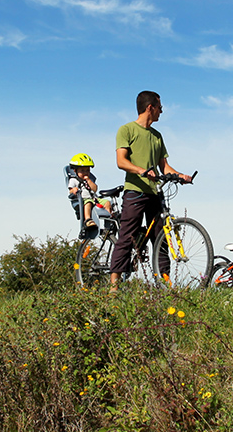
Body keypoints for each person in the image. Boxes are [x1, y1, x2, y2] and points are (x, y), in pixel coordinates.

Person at [109, 91, 193, 288]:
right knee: (127, 236)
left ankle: (164, 282)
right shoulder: (126, 130)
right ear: (150, 108)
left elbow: (164, 166)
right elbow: (121, 161)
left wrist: (180, 176)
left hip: (155, 192)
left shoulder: (157, 136)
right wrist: (142, 171)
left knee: (160, 237)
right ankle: (113, 285)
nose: (161, 112)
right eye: (160, 108)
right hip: (135, 190)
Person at [66, 153, 99, 234]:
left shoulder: (89, 180)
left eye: (87, 170)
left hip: (94, 199)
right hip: (83, 200)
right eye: (82, 170)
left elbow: (95, 189)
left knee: (107, 203)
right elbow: (70, 190)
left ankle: (110, 219)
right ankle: (88, 220)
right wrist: (73, 190)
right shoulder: (74, 180)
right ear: (75, 171)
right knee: (88, 203)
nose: (85, 173)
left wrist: (88, 181)